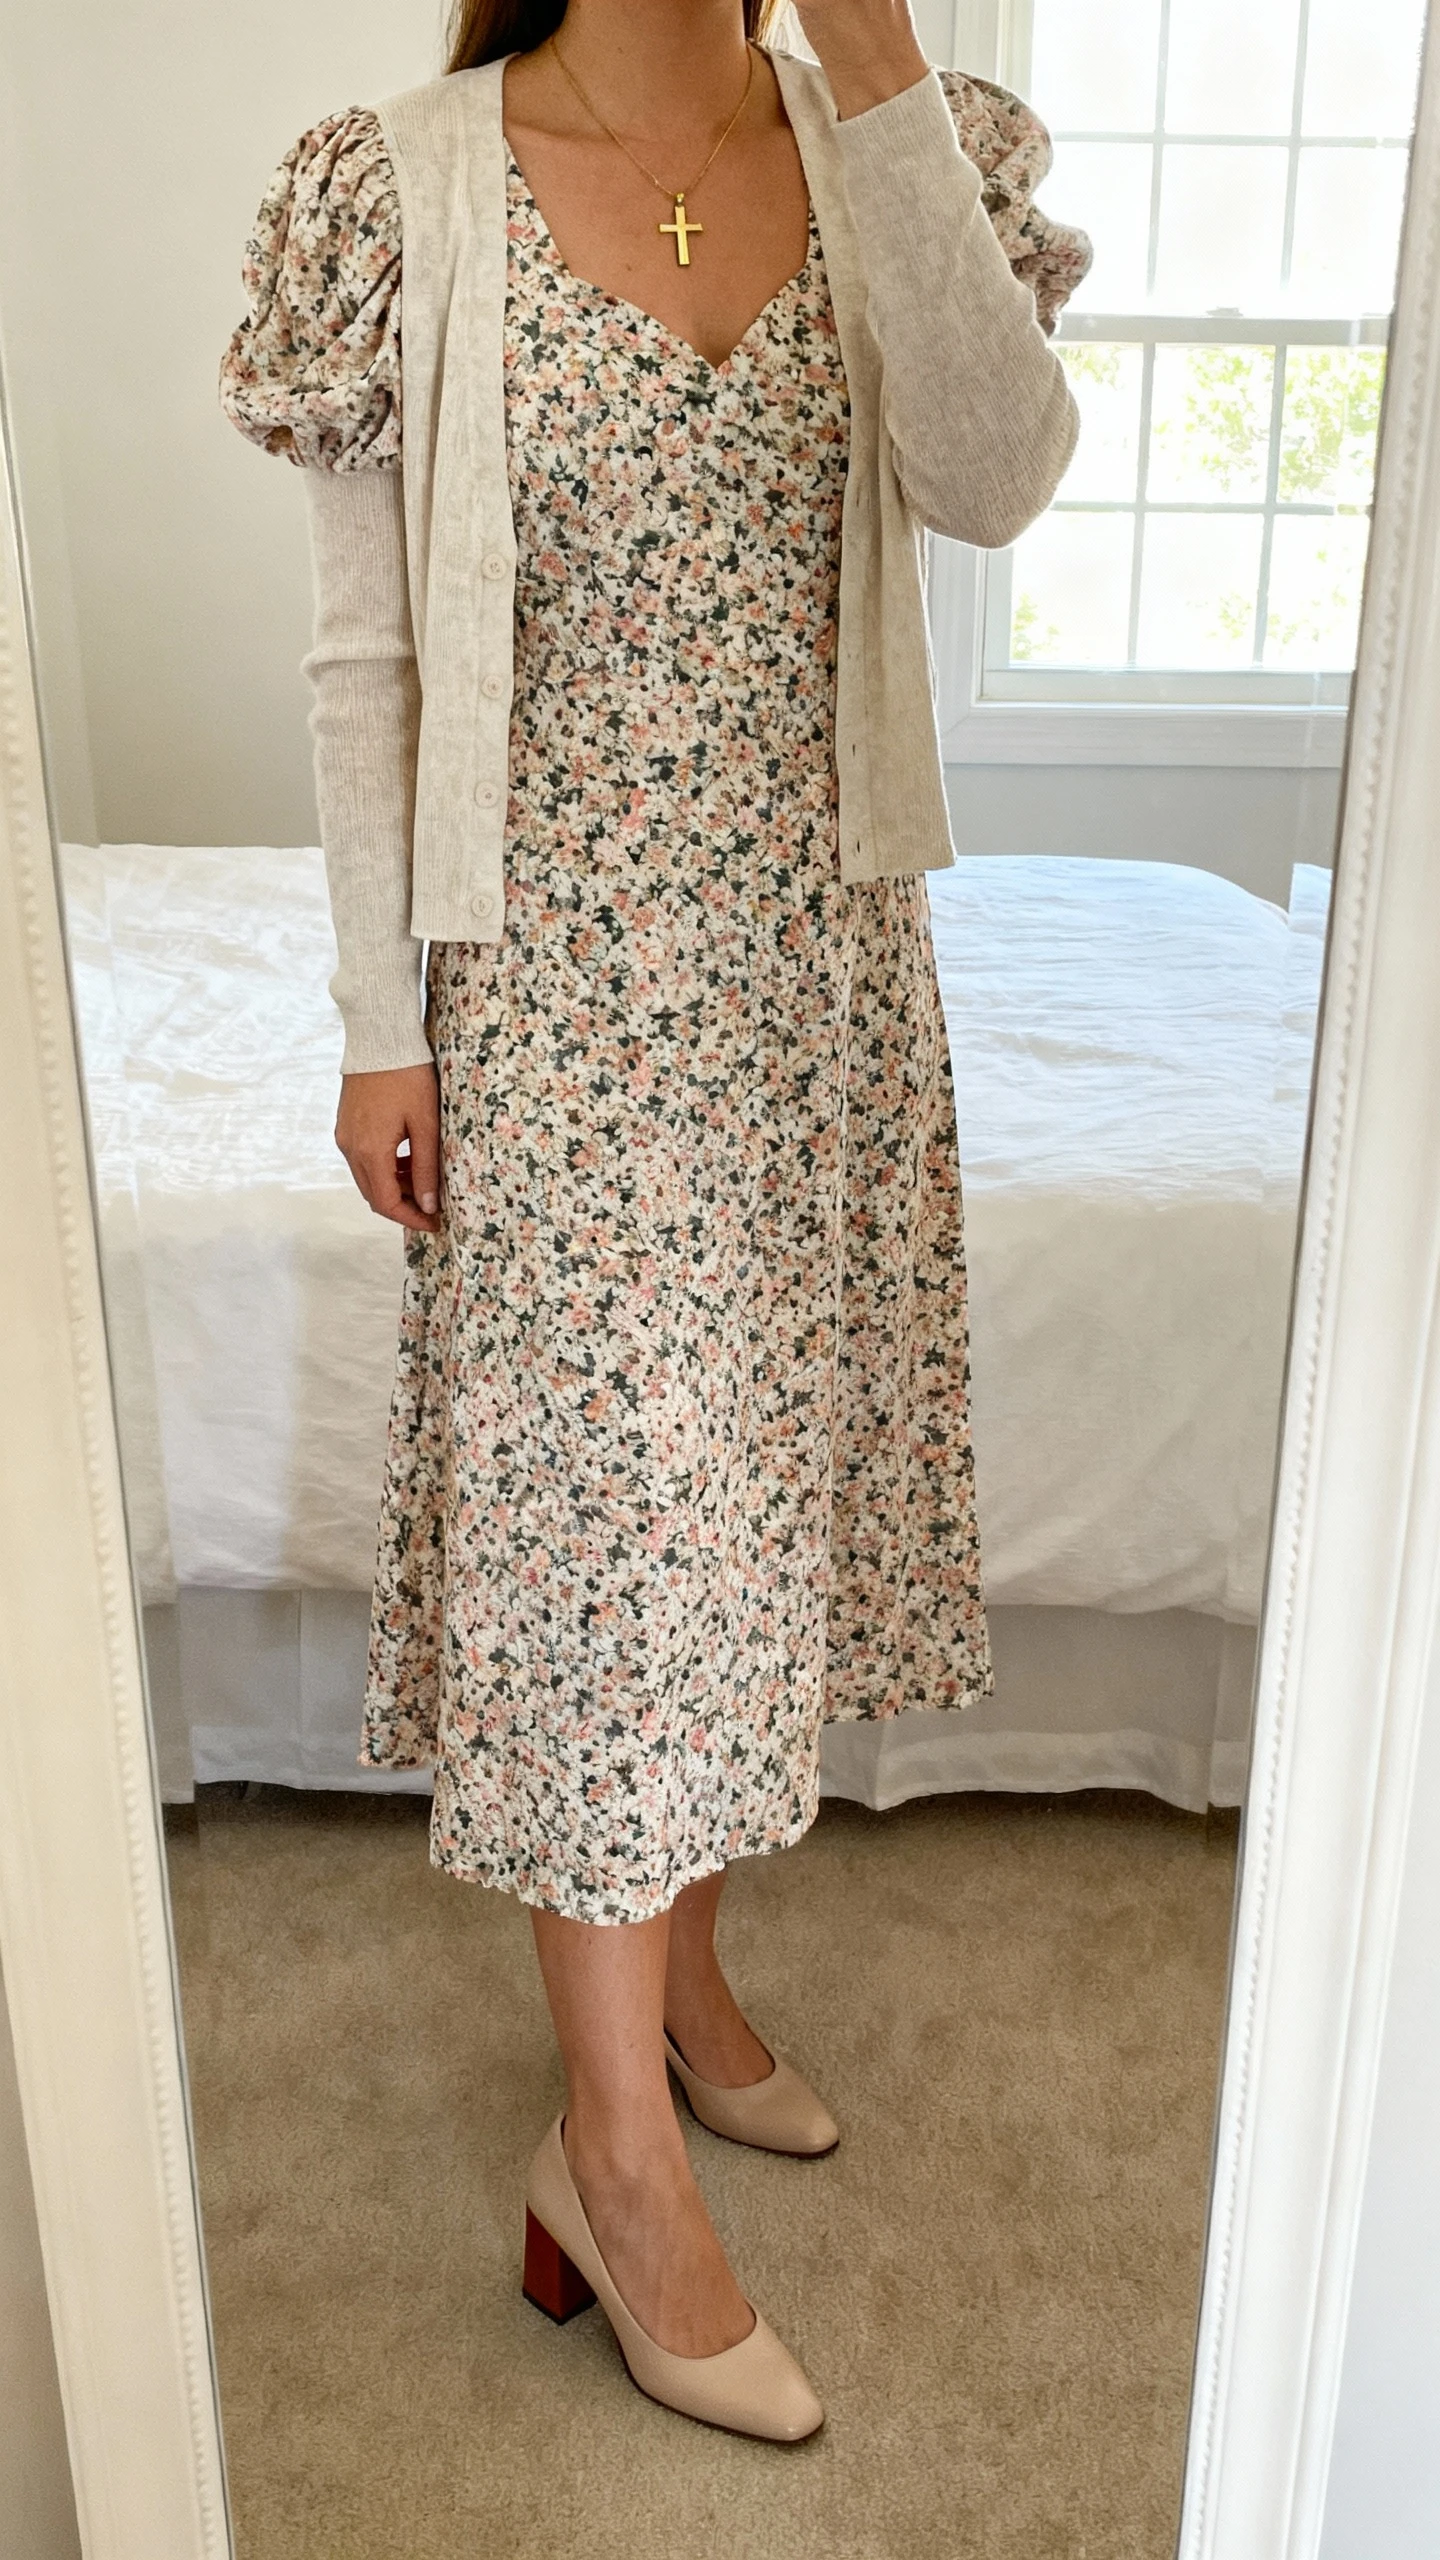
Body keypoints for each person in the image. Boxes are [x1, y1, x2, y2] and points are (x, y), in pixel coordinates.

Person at [220, 0, 1088, 2441]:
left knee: (747, 1535)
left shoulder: (901, 136)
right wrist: (377, 1020)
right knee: (610, 1573)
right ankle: (607, 2159)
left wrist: (879, 64)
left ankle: (684, 1991)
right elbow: (369, 651)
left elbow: (1001, 478)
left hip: (817, 980)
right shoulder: (398, 188)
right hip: (557, 1000)